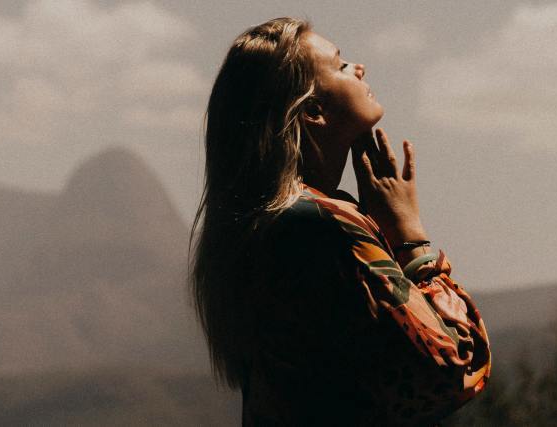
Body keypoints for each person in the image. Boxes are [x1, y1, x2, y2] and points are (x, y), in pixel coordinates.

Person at [189, 17, 491, 425]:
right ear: (313, 110)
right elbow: (453, 372)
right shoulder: (323, 227)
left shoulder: (269, 226)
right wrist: (409, 239)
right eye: (341, 65)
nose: (359, 67)